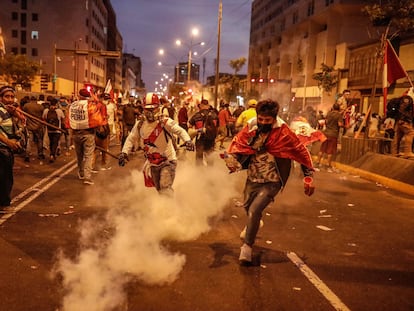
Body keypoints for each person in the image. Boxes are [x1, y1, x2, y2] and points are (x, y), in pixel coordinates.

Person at [222, 99, 315, 265]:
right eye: (261, 119)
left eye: (267, 120)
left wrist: (308, 176)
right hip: (253, 177)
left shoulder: (284, 133)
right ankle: (254, 222)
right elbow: (239, 145)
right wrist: (232, 158)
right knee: (248, 208)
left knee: (254, 209)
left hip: (273, 180)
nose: (263, 123)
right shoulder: (251, 127)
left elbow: (301, 151)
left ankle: (247, 248)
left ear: (274, 118)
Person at [118, 92, 195, 195]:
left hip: (168, 161)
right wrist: (124, 153)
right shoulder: (140, 124)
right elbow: (131, 138)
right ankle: (166, 207)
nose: (150, 113)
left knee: (165, 188)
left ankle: (167, 210)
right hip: (153, 163)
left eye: (152, 109)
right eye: (147, 110)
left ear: (158, 108)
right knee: (159, 190)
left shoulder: (165, 121)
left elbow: (180, 131)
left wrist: (188, 140)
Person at [67, 88, 105, 185]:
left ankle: (81, 173)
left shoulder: (72, 105)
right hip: (88, 134)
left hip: (76, 134)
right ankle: (87, 177)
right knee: (88, 156)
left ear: (79, 96)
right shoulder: (90, 105)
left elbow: (68, 119)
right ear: (88, 96)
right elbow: (98, 115)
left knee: (79, 155)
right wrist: (95, 99)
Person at [0, 86, 25, 209]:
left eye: (12, 96)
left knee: (6, 179)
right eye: (6, 97)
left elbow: (18, 128)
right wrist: (9, 142)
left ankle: (4, 202)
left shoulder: (9, 112)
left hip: (7, 151)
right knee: (4, 180)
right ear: (1, 98)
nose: (10, 100)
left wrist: (17, 115)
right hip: (2, 150)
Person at [188, 99, 218, 166]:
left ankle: (200, 174)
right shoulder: (214, 115)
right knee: (210, 158)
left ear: (201, 106)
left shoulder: (196, 115)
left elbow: (189, 127)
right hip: (211, 140)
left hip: (200, 139)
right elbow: (217, 128)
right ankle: (210, 173)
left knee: (199, 158)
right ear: (208, 106)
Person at [315, 103, 343, 172]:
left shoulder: (329, 114)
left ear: (333, 108)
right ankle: (328, 165)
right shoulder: (339, 115)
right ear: (338, 108)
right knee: (330, 151)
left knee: (322, 149)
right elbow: (340, 124)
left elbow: (326, 122)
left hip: (326, 133)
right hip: (333, 134)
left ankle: (317, 163)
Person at [22, 95, 45, 161]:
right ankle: (40, 154)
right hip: (38, 126)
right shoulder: (40, 107)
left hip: (29, 126)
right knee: (39, 140)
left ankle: (27, 154)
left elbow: (24, 113)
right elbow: (42, 116)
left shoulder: (26, 106)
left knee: (29, 141)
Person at [42, 98, 65, 163]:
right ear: (56, 104)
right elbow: (63, 119)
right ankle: (52, 155)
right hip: (57, 130)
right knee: (55, 142)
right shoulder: (59, 111)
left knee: (51, 142)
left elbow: (43, 118)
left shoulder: (46, 110)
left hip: (49, 129)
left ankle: (52, 153)